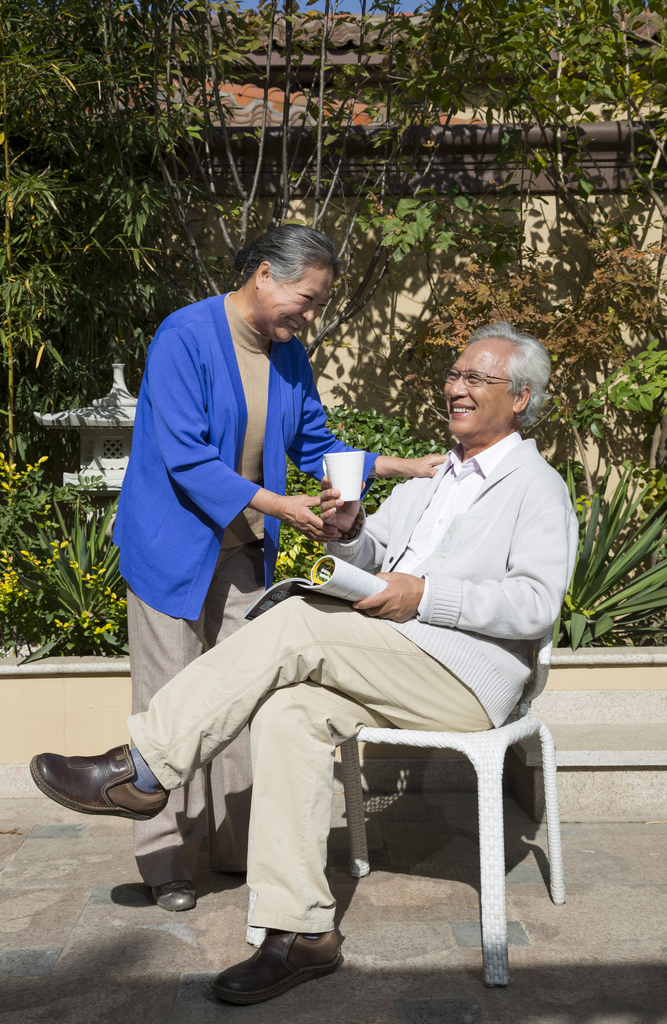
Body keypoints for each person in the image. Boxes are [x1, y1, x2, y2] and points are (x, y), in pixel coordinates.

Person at [31, 323, 578, 1004]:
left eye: (476, 379)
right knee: (289, 713)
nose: (456, 389)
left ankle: (141, 767)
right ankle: (300, 934)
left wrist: (426, 595)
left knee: (293, 620)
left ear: (519, 399)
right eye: (454, 375)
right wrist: (349, 535)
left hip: (466, 678)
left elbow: (533, 605)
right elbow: (377, 556)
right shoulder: (435, 479)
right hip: (395, 662)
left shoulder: (535, 486)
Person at [111, 225, 444, 912]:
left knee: (238, 695)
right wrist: (284, 508)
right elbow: (186, 458)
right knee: (169, 697)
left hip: (241, 551)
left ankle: (237, 845)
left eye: (319, 304)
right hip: (171, 547)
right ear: (264, 274)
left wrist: (403, 466)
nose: (311, 315)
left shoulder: (288, 356)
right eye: (307, 298)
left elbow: (318, 442)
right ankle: (167, 860)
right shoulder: (185, 335)